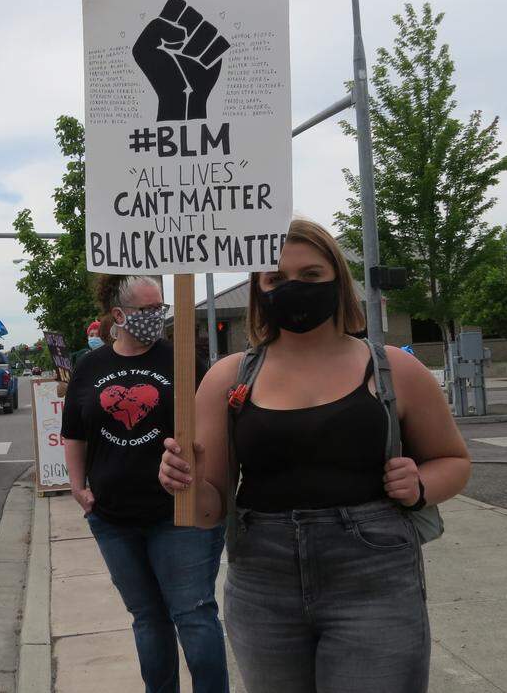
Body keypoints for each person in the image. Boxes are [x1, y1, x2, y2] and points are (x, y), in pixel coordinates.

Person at [159, 218, 471, 693]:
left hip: (374, 577)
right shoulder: (227, 378)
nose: (293, 287)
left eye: (310, 275)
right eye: (276, 279)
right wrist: (186, 481)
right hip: (262, 584)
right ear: (259, 290)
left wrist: (420, 485)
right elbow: (208, 511)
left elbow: (454, 461)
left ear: (337, 279)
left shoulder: (395, 370)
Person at [61, 274, 228, 693]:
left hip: (179, 515)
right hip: (112, 519)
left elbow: (213, 427)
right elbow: (74, 433)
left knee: (194, 615)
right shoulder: (90, 367)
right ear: (119, 315)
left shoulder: (183, 361)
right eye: (147, 310)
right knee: (148, 619)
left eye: (161, 308)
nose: (156, 316)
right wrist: (78, 487)